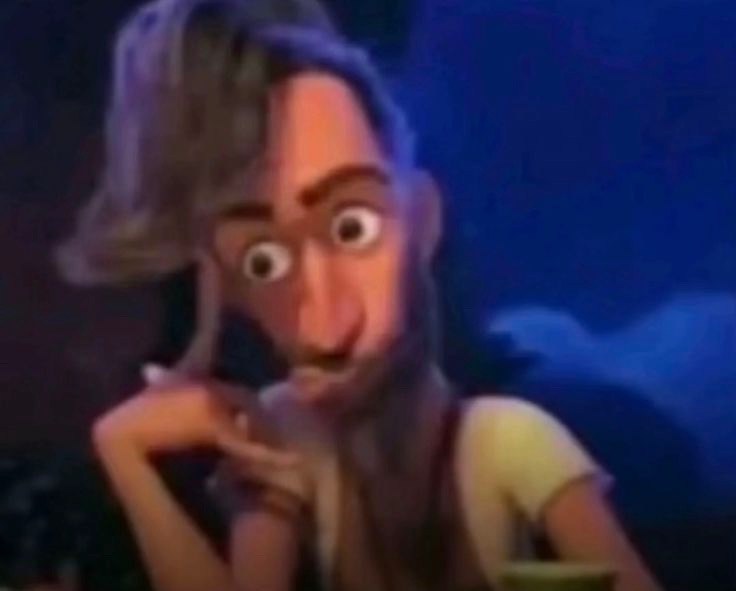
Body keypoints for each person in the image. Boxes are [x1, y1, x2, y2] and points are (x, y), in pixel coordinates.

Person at [56, 1, 663, 590]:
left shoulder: (508, 440)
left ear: (421, 219)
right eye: (264, 262)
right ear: (229, 288)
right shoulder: (285, 438)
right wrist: (125, 450)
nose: (328, 325)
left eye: (352, 229)